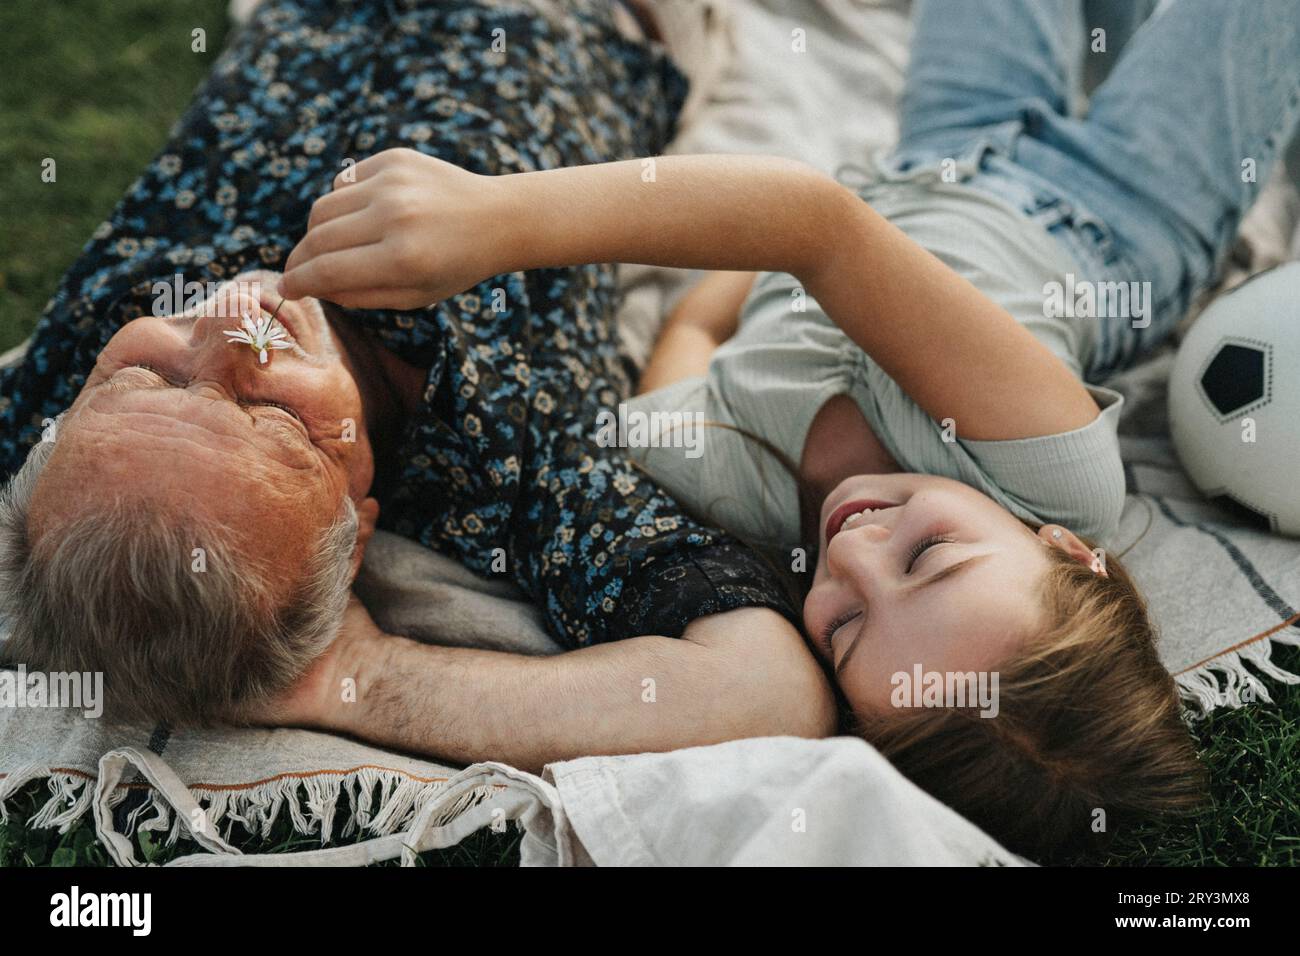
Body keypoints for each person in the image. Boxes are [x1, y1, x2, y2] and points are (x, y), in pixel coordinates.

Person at [276, 0, 1300, 854]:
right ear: (1070, 551)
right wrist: (497, 221)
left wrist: (722, 287)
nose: (855, 550)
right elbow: (816, 229)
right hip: (1113, 209)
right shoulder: (1049, 474)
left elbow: (686, 342)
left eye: (846, 624)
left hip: (931, 149)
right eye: (931, 555)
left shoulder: (727, 491)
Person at [0, 0, 834, 760]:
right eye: (278, 422)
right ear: (354, 529)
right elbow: (768, 689)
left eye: (142, 375)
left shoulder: (49, 397)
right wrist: (358, 677)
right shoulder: (508, 460)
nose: (231, 323)